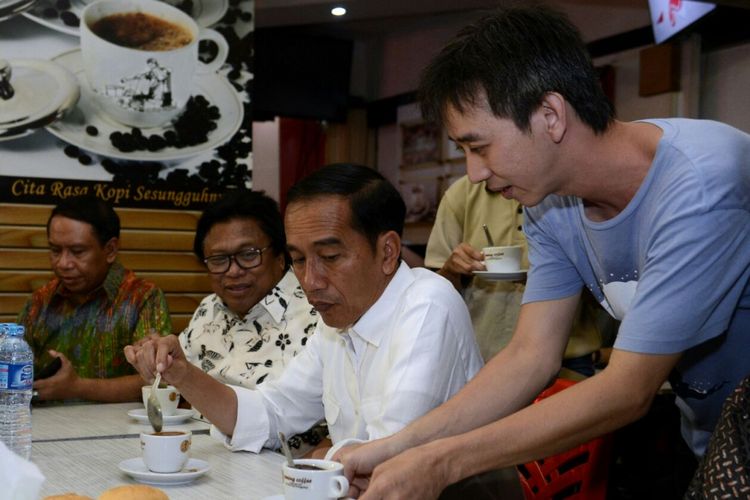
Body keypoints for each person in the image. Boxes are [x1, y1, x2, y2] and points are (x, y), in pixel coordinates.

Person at [336, 6, 750, 499]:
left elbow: (627, 390)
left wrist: (443, 462)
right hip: (712, 437)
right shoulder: (550, 204)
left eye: (479, 147)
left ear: (550, 116)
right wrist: (398, 445)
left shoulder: (701, 186)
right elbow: (530, 355)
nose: (473, 173)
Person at [125, 164, 483, 456]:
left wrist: (319, 459)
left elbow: (388, 453)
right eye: (298, 259)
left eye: (329, 257)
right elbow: (271, 411)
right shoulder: (338, 321)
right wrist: (182, 373)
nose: (310, 280)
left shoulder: (427, 305)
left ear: (388, 252)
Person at [425, 174, 601, 372]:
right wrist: (451, 271)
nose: (473, 168)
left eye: (478, 148)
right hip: (480, 355)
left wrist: (559, 278)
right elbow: (433, 298)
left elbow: (610, 296)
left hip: (567, 357)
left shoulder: (571, 191)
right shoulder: (462, 193)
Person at [18, 197, 171, 402]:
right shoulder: (40, 301)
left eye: (77, 252)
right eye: (55, 250)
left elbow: (159, 379)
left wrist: (78, 388)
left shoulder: (143, 298)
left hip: (120, 429)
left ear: (110, 250)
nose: (63, 263)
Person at [179, 190, 317, 390]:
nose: (233, 271)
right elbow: (169, 379)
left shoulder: (318, 315)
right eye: (218, 259)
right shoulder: (209, 308)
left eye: (248, 255)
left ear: (280, 256)